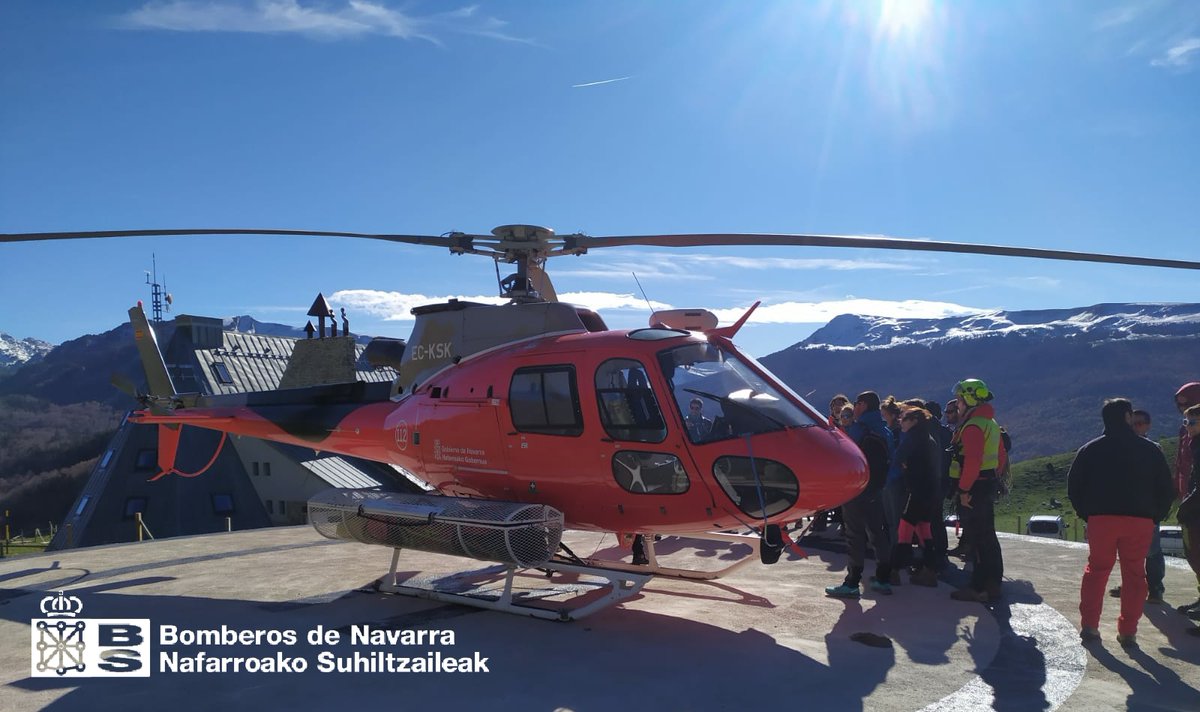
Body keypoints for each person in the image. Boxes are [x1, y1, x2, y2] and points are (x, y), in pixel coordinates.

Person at [1067, 398, 1174, 647]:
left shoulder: (1090, 449)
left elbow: (1074, 486)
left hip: (1101, 520)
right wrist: (1155, 516)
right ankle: (1128, 631)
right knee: (1135, 574)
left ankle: (1090, 626)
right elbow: (1165, 488)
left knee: (1096, 571)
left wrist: (1087, 514)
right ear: (1127, 417)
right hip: (1140, 521)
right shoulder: (1150, 450)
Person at [825, 391, 895, 598]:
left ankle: (852, 583)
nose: (854, 407)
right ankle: (883, 579)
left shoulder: (857, 429)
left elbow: (842, 455)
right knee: (877, 533)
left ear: (863, 405)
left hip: (856, 489)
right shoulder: (885, 430)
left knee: (855, 535)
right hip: (877, 490)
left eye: (856, 403)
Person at [948, 378, 1007, 603]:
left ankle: (978, 587)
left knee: (978, 539)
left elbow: (972, 461)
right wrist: (992, 478)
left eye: (960, 400)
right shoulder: (990, 423)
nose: (958, 404)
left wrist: (964, 489)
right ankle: (993, 584)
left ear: (969, 400)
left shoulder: (972, 426)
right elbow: (1001, 456)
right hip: (986, 483)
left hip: (974, 487)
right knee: (988, 537)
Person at [1109, 407, 1167, 604]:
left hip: (1148, 508)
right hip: (1125, 508)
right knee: (1127, 550)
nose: (1134, 427)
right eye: (1131, 424)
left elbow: (1161, 481)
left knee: (1152, 550)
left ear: (1148, 426)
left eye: (1139, 424)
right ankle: (1131, 584)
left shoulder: (1155, 449)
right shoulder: (1120, 448)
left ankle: (1155, 588)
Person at [890, 407, 942, 587]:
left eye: (904, 418)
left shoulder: (912, 438)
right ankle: (930, 570)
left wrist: (905, 466)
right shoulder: (929, 438)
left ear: (914, 421)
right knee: (923, 529)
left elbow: (897, 458)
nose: (901, 422)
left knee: (904, 528)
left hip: (916, 490)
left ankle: (894, 570)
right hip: (930, 491)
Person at [1173, 383, 1200, 617]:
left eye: (1187, 403)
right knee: (1193, 553)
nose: (1182, 409)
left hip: (1194, 503)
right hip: (1189, 498)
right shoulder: (1188, 432)